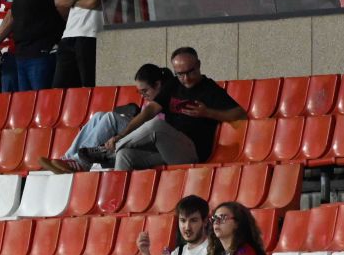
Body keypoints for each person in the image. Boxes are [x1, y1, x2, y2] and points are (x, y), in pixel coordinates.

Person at [90, 48, 246, 172]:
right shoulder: (173, 85)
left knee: (156, 126)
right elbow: (149, 111)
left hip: (191, 152)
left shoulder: (210, 89)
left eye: (190, 72)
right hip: (166, 150)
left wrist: (208, 113)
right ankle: (119, 207)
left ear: (198, 65)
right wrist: (120, 135)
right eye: (180, 74)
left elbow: (241, 115)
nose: (186, 78)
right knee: (125, 155)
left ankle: (108, 151)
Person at [43, 66, 155, 173]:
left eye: (145, 91)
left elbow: (154, 126)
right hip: (141, 129)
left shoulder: (162, 101)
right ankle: (67, 159)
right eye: (140, 92)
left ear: (158, 84)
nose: (142, 95)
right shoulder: (150, 100)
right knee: (99, 116)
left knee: (111, 118)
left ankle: (82, 162)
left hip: (151, 138)